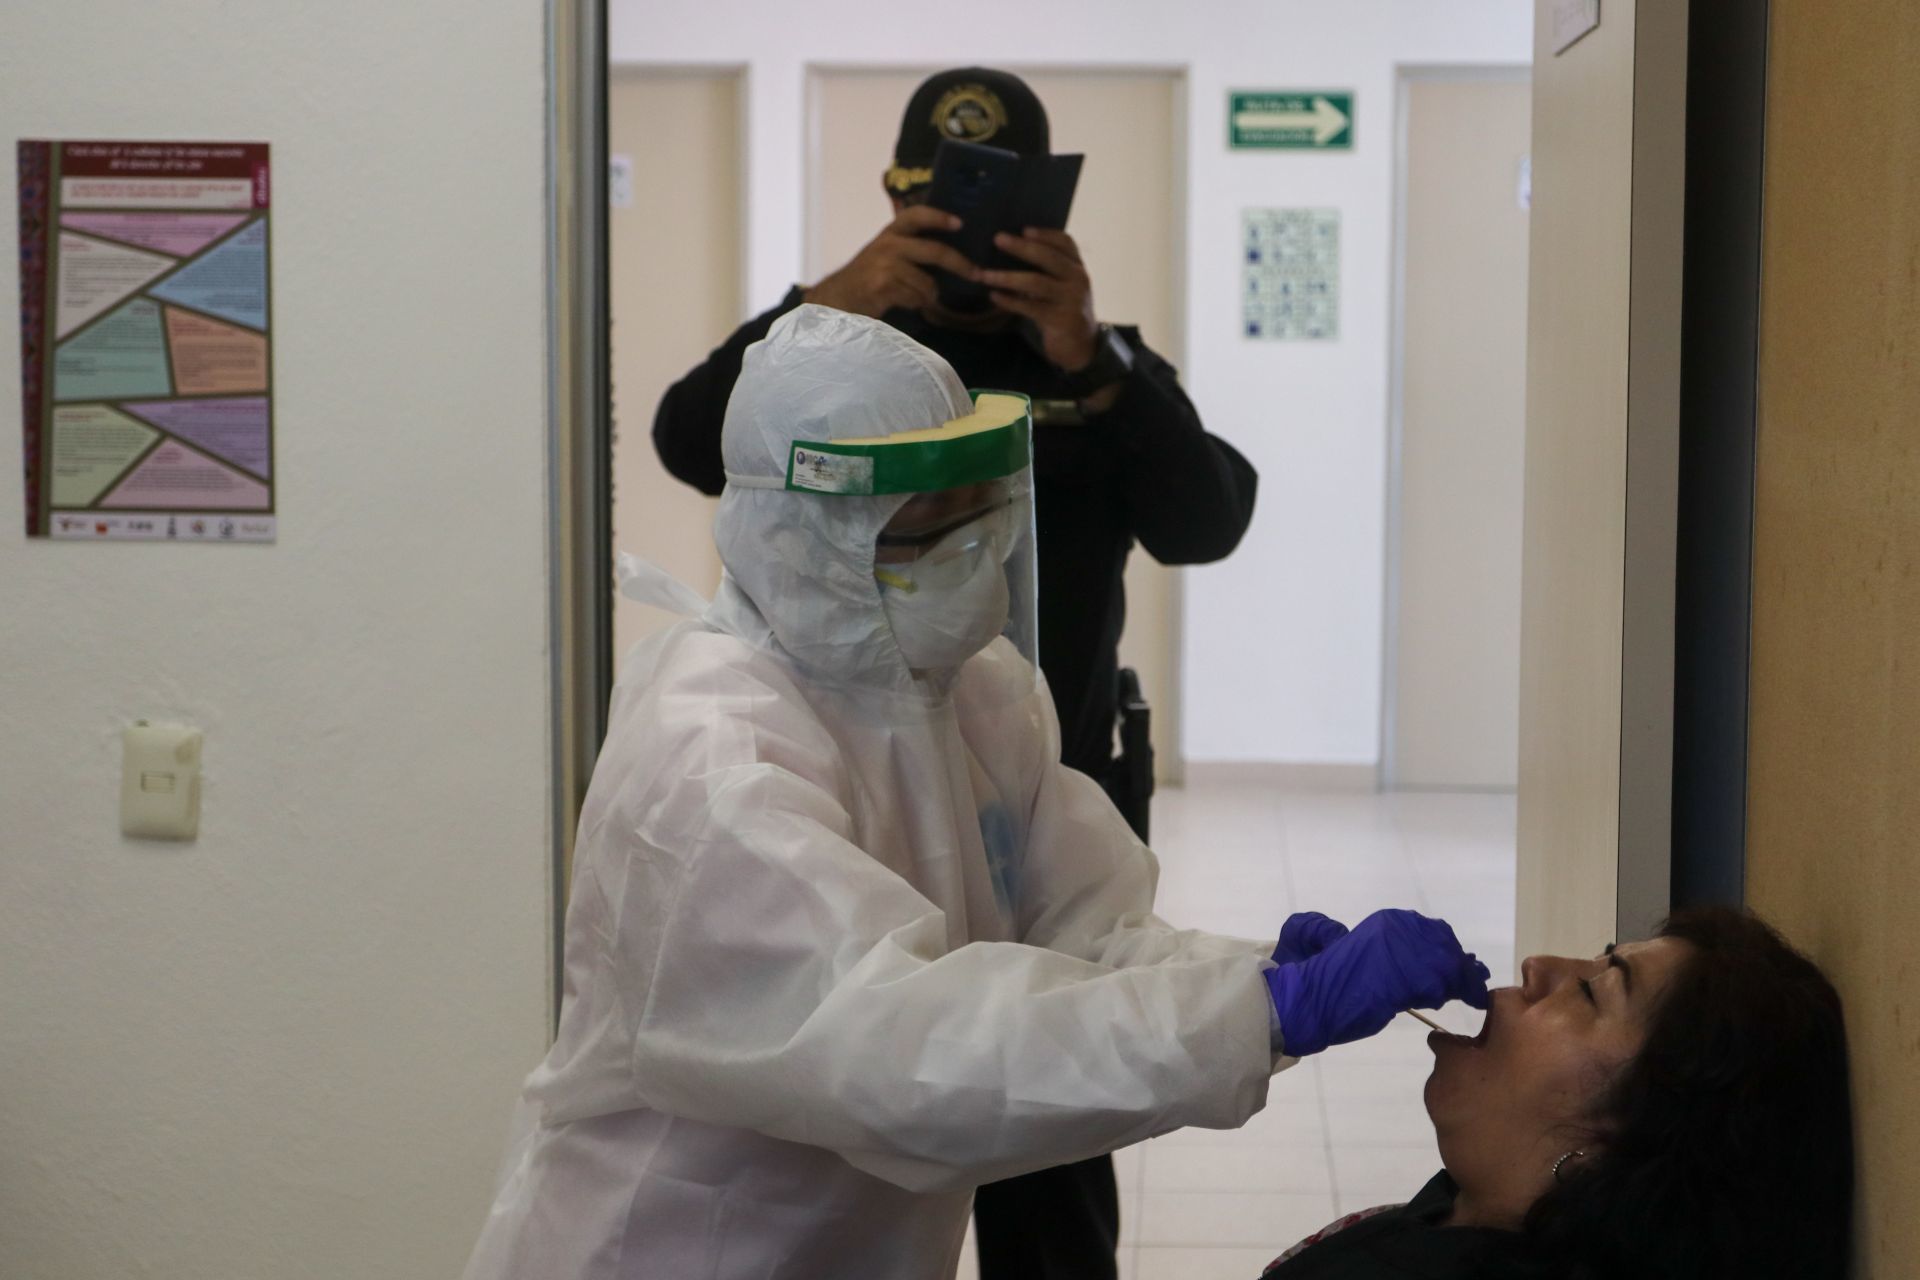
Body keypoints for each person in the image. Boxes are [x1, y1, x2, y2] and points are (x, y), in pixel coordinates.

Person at [463, 305, 1488, 1280]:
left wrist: (1255, 975)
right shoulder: (711, 755)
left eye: (977, 511)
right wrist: (1255, 1014)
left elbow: (1081, 939)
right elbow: (903, 1050)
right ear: (804, 533)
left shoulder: (974, 693)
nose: (968, 553)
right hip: (666, 1248)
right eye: (923, 524)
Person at [652, 69, 1258, 1275]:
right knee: (866, 1122)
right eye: (932, 207)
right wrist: (824, 299)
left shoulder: (1099, 366)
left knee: (1054, 1126)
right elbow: (690, 436)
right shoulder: (847, 365)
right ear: (893, 198)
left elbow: (1206, 519)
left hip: (1049, 787)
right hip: (858, 788)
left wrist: (1091, 353)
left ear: (1053, 218)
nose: (967, 246)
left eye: (1003, 219)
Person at [1258, 906, 1854, 1280]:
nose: (1537, 965)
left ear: (1611, 1152)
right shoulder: (1443, 1216)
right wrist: (1252, 1015)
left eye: (1592, 992)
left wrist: (1252, 1017)